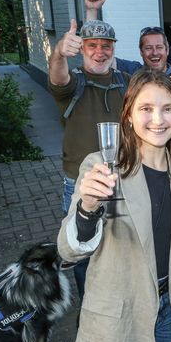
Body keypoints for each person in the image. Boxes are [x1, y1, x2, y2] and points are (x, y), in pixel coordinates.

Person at [57, 68, 171, 342]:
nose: (158, 119)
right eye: (146, 109)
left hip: (170, 312)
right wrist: (87, 207)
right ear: (128, 116)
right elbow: (68, 251)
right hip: (119, 316)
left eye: (168, 109)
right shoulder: (101, 168)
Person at [48, 18, 129, 300]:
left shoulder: (124, 81)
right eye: (92, 45)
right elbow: (58, 77)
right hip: (80, 184)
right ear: (81, 48)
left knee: (118, 243)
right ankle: (89, 305)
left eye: (106, 46)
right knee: (83, 248)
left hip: (120, 181)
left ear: (113, 48)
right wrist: (59, 52)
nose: (99, 51)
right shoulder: (74, 82)